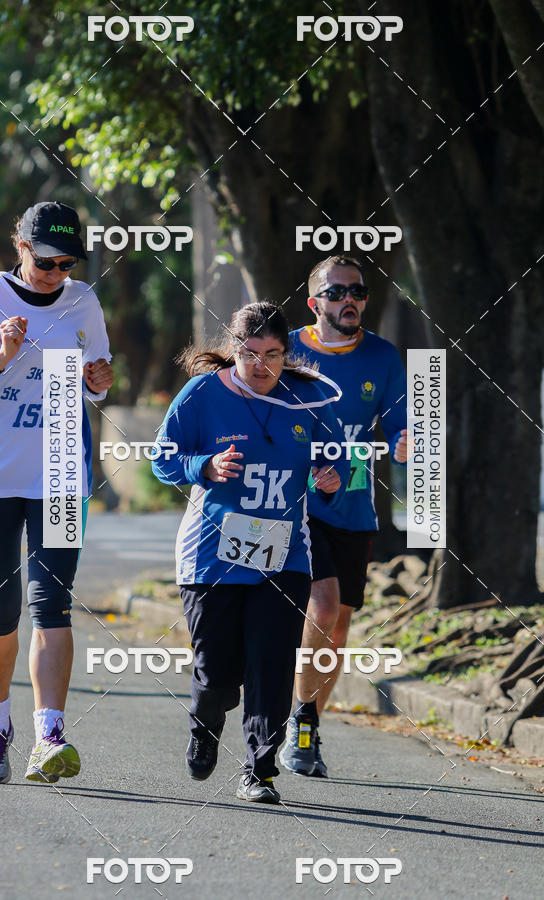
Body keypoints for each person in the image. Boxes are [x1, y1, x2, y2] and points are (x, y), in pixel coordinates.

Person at [0, 201, 113, 784]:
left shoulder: (83, 301)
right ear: (21, 247)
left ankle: (49, 735)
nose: (56, 271)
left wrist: (99, 383)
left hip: (62, 471)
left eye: (67, 262)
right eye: (46, 259)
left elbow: (94, 381)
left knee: (53, 606)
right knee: (1, 609)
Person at [152, 302, 348, 803]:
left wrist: (330, 480)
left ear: (287, 353)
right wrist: (205, 466)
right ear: (234, 349)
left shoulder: (307, 400)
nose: (262, 366)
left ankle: (259, 769)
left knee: (272, 663)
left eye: (274, 354)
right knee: (218, 673)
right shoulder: (202, 395)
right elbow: (163, 459)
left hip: (284, 556)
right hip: (212, 555)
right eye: (250, 353)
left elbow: (339, 462)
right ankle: (205, 724)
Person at [279, 254, 407, 778]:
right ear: (314, 304)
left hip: (354, 503)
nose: (349, 299)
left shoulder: (382, 355)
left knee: (338, 626)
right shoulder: (284, 348)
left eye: (357, 291)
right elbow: (259, 416)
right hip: (293, 503)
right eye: (337, 293)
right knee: (323, 606)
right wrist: (305, 468)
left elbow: (400, 422)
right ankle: (294, 717)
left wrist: (404, 442)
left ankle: (305, 724)